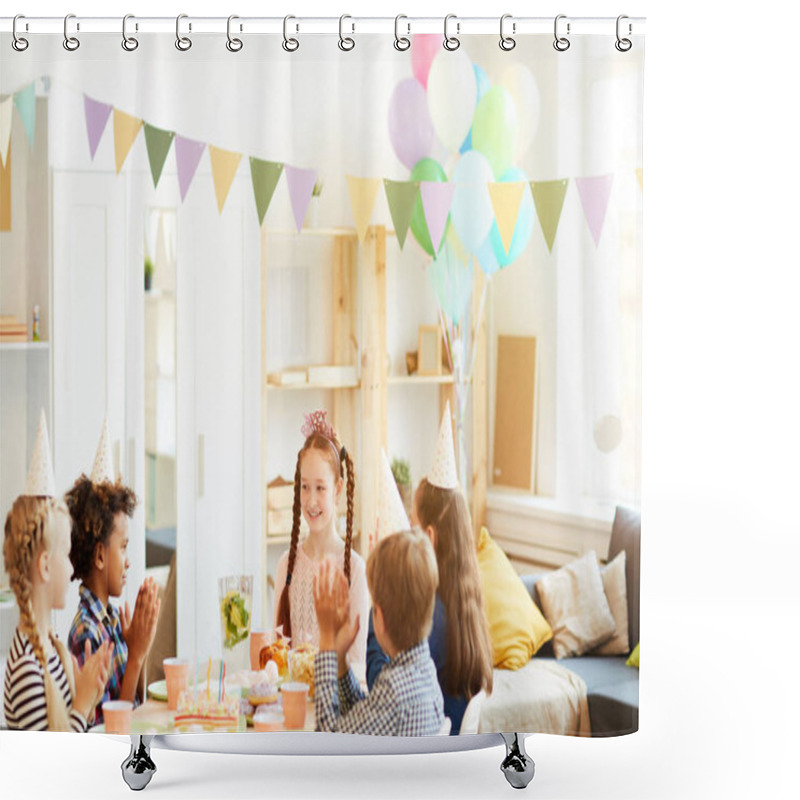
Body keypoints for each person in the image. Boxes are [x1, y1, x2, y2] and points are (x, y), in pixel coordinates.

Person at [366, 402, 493, 734]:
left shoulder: (433, 613)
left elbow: (382, 682)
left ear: (430, 536)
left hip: (426, 748)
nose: (410, 532)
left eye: (413, 524)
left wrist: (376, 599)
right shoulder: (467, 596)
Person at [3, 412, 112, 731]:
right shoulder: (27, 669)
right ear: (46, 566)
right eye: (65, 553)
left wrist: (88, 699)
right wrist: (80, 705)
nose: (72, 565)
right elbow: (55, 769)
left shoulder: (50, 649)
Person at [66, 417, 160, 726]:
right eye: (123, 547)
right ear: (100, 556)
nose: (128, 560)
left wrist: (139, 651)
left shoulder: (111, 619)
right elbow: (108, 733)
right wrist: (134, 658)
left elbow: (132, 704)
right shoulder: (87, 633)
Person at [313, 529, 444, 736]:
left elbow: (326, 742)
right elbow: (367, 718)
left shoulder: (393, 689)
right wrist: (340, 662)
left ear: (379, 619)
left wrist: (327, 637)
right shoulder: (424, 668)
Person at [274, 410, 368, 665]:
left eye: (320, 487)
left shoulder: (356, 571)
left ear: (338, 489)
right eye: (304, 487)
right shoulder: (287, 565)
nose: (311, 500)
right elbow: (278, 657)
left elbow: (357, 665)